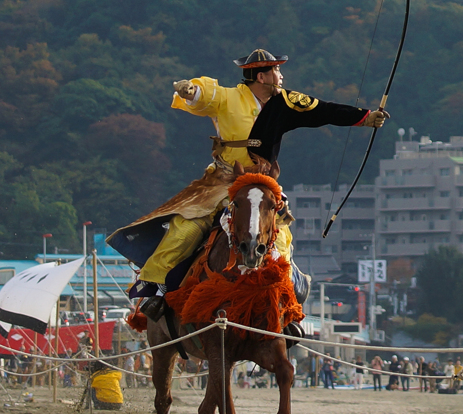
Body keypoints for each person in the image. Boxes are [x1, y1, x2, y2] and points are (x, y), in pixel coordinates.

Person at [108, 49, 387, 322]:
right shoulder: (229, 97)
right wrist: (190, 91)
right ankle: (156, 289)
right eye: (276, 70)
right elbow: (205, 95)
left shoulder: (285, 102)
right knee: (187, 228)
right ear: (261, 77)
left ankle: (287, 297)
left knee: (280, 235)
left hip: (263, 182)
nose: (281, 75)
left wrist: (364, 117)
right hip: (223, 178)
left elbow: (323, 110)